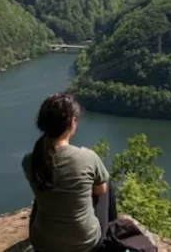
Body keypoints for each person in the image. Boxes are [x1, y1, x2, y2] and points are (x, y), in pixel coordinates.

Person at [22, 93, 116, 252]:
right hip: (85, 244)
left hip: (43, 244)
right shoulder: (87, 157)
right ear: (72, 122)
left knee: (43, 193)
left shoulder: (29, 160)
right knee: (105, 183)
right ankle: (114, 231)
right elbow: (100, 191)